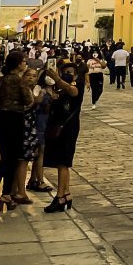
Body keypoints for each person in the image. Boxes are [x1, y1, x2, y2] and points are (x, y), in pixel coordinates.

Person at [0, 50, 33, 210]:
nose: (25, 64)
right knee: (12, 159)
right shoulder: (20, 82)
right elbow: (28, 100)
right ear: (18, 64)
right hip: (15, 120)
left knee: (4, 157)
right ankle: (5, 194)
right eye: (24, 61)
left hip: (0, 120)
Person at [43, 59, 85, 212]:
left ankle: (60, 196)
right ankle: (66, 194)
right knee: (62, 161)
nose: (67, 75)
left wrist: (57, 79)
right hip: (58, 126)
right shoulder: (59, 89)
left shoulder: (76, 85)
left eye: (70, 73)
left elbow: (73, 92)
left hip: (68, 127)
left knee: (63, 162)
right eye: (64, 72)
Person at [12, 67, 42, 204]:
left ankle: (14, 190)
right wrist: (36, 101)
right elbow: (24, 107)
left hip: (30, 127)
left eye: (34, 76)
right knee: (22, 160)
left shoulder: (32, 90)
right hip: (23, 127)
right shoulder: (22, 90)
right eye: (28, 75)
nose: (31, 78)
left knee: (22, 160)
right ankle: (20, 192)